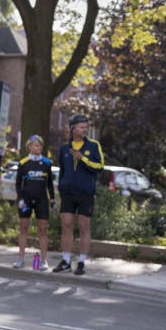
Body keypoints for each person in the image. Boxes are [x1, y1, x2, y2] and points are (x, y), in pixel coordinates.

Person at [53, 114, 104, 276]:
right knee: (66, 224)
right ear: (73, 128)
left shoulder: (94, 146)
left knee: (84, 226)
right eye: (82, 127)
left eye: (86, 127)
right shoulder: (64, 149)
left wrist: (83, 159)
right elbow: (62, 170)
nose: (85, 129)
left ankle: (81, 262)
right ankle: (66, 261)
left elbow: (100, 166)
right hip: (68, 192)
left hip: (85, 193)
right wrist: (61, 187)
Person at [13, 135, 55, 270]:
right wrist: (20, 199)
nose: (39, 147)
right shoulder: (23, 162)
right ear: (29, 147)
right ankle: (20, 258)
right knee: (23, 228)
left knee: (42, 230)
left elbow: (50, 184)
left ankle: (43, 260)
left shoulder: (47, 163)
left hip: (41, 200)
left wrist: (52, 199)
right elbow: (18, 183)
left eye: (40, 145)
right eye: (36, 145)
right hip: (25, 200)